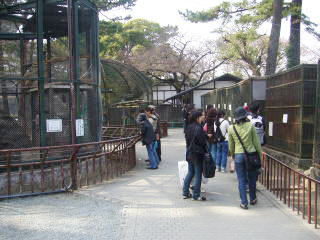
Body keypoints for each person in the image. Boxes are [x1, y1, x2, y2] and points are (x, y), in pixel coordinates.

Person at [228, 106, 262, 209]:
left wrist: (233, 156)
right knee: (252, 179)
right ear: (245, 115)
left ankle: (244, 202)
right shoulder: (250, 126)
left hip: (238, 156)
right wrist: (259, 156)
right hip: (251, 155)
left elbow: (231, 145)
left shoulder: (231, 128)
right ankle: (253, 199)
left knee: (241, 180)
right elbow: (256, 143)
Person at [183, 110, 207, 201]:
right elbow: (202, 142)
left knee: (190, 172)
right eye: (202, 116)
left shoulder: (188, 127)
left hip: (189, 153)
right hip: (197, 154)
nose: (203, 117)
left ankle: (185, 193)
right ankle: (196, 195)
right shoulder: (199, 128)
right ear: (197, 118)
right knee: (198, 174)